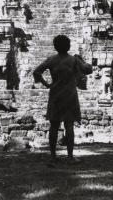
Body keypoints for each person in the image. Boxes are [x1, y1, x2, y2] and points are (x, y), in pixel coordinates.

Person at [33, 35, 93, 166]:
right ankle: (70, 156)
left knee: (54, 126)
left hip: (55, 94)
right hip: (70, 94)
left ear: (55, 46)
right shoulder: (73, 60)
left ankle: (53, 156)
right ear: (68, 46)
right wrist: (81, 60)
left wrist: (47, 84)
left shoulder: (51, 60)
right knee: (69, 125)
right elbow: (88, 70)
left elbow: (36, 72)